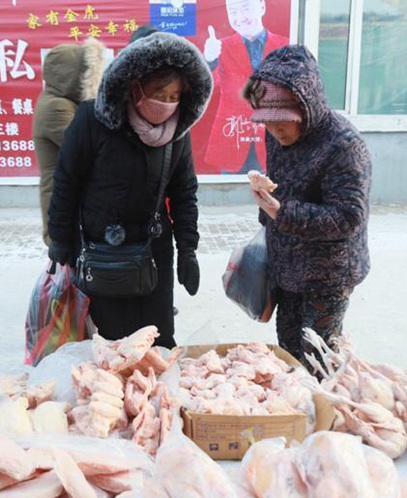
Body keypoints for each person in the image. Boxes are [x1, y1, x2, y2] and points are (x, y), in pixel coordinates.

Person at [47, 32, 213, 348]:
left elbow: (184, 193)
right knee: (112, 348)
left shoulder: (178, 132)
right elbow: (66, 183)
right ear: (135, 86)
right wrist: (61, 240)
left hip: (155, 253)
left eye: (174, 95)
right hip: (105, 255)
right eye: (159, 93)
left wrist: (188, 249)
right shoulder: (91, 120)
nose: (166, 104)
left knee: (159, 344)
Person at [243, 45, 372, 375]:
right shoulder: (277, 134)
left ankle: (325, 418)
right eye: (267, 123)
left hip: (328, 274)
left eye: (283, 123)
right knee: (288, 352)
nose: (274, 132)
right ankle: (295, 412)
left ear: (308, 107)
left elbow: (348, 216)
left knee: (319, 357)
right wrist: (266, 199)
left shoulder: (344, 145)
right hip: (288, 268)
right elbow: (280, 188)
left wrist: (282, 212)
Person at [33, 38, 106, 246]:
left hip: (66, 202)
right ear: (72, 75)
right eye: (86, 73)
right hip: (63, 207)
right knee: (70, 272)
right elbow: (87, 149)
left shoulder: (59, 100)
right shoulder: (56, 108)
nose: (90, 79)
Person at [202, 0, 289, 174]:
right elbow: (207, 86)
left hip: (273, 140)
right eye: (233, 11)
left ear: (262, 7)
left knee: (274, 197)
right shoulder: (219, 48)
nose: (240, 17)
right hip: (232, 140)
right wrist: (209, 60)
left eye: (245, 8)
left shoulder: (286, 45)